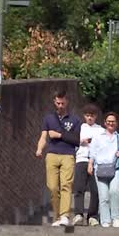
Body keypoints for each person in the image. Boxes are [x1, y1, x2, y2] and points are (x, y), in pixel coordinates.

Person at [36, 90, 82, 226]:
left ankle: (64, 216)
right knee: (52, 187)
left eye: (62, 103)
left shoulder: (75, 120)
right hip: (51, 154)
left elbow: (77, 140)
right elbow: (43, 136)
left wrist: (60, 135)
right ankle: (57, 216)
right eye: (58, 103)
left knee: (66, 185)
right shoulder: (48, 118)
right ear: (54, 102)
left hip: (68, 155)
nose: (60, 105)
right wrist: (39, 149)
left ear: (67, 102)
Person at [53, 105, 105, 226]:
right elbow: (72, 139)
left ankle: (92, 216)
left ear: (96, 116)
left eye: (92, 116)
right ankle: (78, 214)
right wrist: (81, 141)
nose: (90, 118)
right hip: (81, 159)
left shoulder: (101, 130)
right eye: (87, 115)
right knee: (78, 188)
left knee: (95, 190)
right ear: (84, 116)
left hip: (96, 162)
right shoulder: (80, 127)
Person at [88, 112, 119, 228]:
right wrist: (90, 164)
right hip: (100, 168)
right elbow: (92, 152)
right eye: (108, 121)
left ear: (116, 123)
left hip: (115, 168)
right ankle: (105, 220)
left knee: (114, 191)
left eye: (113, 121)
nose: (111, 123)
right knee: (103, 196)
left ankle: (116, 218)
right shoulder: (98, 137)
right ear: (105, 123)